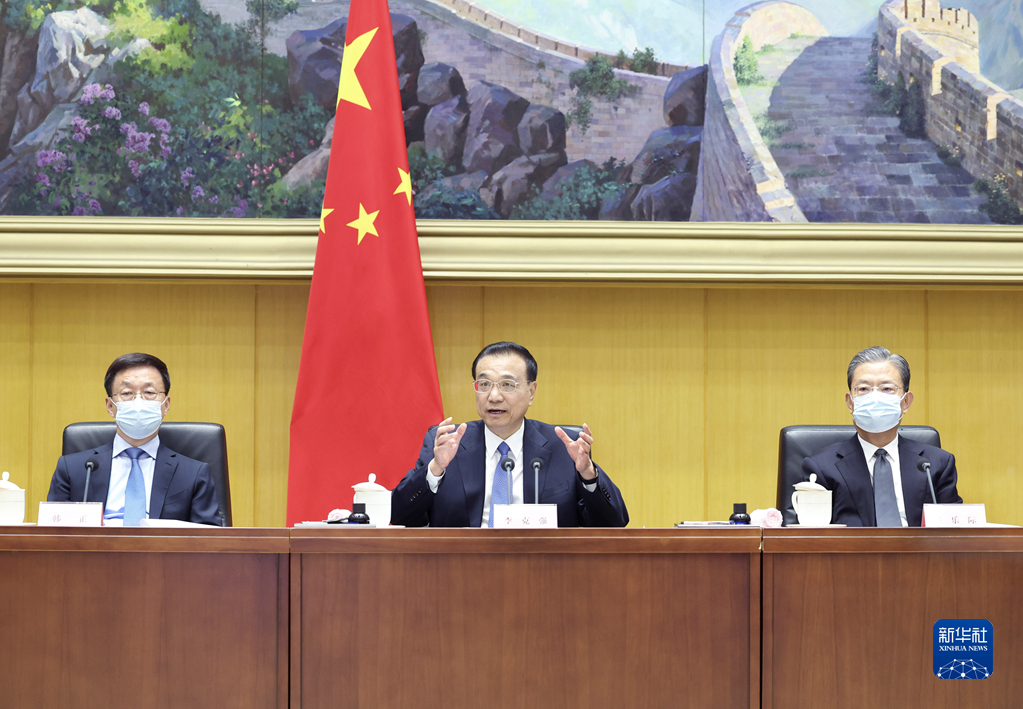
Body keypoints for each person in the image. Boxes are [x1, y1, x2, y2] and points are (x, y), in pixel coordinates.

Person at [391, 342, 629, 527]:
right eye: (484, 384)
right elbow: (399, 516)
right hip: (461, 568)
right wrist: (435, 470)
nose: (494, 396)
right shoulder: (446, 444)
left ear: (531, 391)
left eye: (507, 385)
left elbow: (614, 523)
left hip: (544, 570)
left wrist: (589, 475)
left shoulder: (564, 447)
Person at [47, 353, 221, 526]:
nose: (139, 401)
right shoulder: (73, 469)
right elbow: (52, 534)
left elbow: (210, 539)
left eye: (149, 392)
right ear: (110, 406)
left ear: (166, 405)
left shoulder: (194, 474)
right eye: (127, 393)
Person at [801, 346, 961, 526]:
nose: (875, 397)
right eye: (863, 389)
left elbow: (955, 533)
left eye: (887, 388)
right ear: (850, 403)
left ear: (906, 402)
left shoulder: (936, 465)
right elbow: (811, 536)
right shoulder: (822, 468)